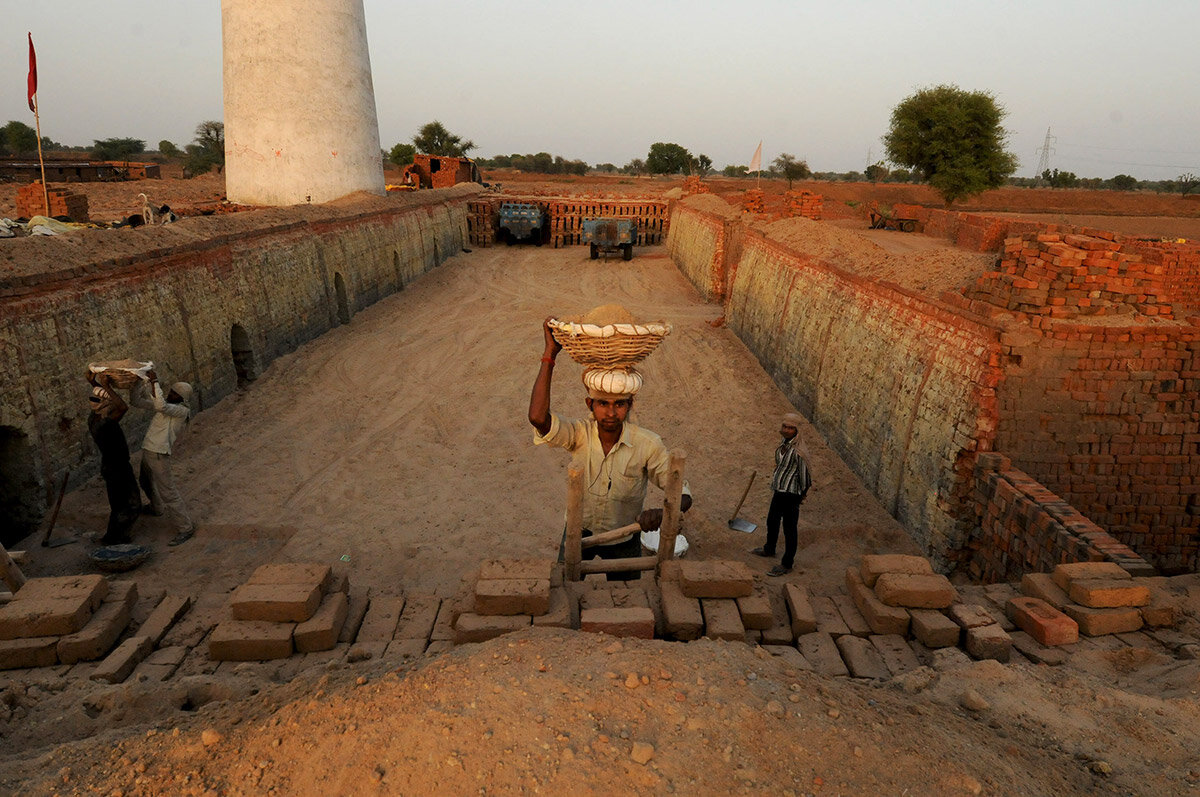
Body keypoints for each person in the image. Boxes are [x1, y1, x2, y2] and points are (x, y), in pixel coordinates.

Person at [528, 318, 691, 581]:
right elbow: (538, 418)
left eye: (620, 404)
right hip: (578, 533)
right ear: (589, 404)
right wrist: (550, 355)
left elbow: (683, 493)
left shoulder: (647, 444)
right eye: (603, 403)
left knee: (628, 599)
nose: (611, 412)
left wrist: (664, 512)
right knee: (563, 588)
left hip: (624, 537)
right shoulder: (579, 434)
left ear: (630, 404)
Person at [131, 370, 196, 546]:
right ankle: (156, 508)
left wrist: (154, 382)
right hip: (149, 450)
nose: (171, 394)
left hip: (159, 454)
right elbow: (135, 401)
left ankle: (185, 527)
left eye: (175, 393)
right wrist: (138, 383)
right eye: (171, 391)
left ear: (182, 398)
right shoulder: (167, 405)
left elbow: (160, 406)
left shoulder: (180, 411)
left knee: (168, 492)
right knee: (145, 481)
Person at [751, 412, 812, 576]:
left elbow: (806, 477)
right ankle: (769, 548)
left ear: (797, 430)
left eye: (791, 428)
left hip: (791, 494)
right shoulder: (785, 444)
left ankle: (787, 563)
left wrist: (801, 495)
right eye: (785, 427)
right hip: (779, 490)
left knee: (789, 529)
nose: (786, 430)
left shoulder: (799, 452)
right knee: (772, 520)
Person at [87, 372, 141, 545]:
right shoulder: (106, 424)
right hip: (117, 467)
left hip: (110, 466)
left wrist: (94, 383)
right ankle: (116, 539)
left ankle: (114, 537)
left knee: (118, 503)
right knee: (129, 504)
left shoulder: (94, 418)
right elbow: (123, 407)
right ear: (107, 405)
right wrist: (108, 387)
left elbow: (99, 399)